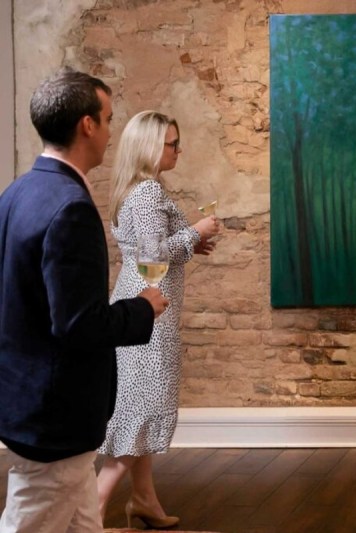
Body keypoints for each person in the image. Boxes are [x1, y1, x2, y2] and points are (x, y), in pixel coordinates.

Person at [0, 68, 168, 533]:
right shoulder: (69, 206)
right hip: (55, 412)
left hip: (27, 397)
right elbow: (78, 325)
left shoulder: (18, 192)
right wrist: (143, 308)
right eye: (109, 119)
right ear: (87, 125)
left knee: (81, 520)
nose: (113, 133)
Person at [95, 110, 220, 528]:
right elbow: (152, 257)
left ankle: (144, 501)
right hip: (150, 307)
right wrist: (196, 232)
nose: (178, 150)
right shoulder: (147, 192)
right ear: (150, 146)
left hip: (145, 303)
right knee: (144, 404)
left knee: (140, 404)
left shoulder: (144, 188)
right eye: (172, 143)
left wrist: (189, 243)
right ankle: (91, 512)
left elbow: (154, 246)